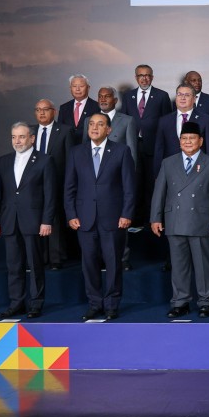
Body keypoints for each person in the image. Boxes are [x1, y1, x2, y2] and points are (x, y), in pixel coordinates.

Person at [150, 121, 209, 319]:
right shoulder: (168, 162)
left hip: (202, 222)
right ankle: (180, 302)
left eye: (192, 138)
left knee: (204, 266)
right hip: (175, 220)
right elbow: (159, 192)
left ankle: (205, 302)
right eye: (184, 138)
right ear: (179, 142)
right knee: (178, 266)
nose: (188, 142)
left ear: (200, 141)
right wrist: (155, 218)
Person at [64, 113, 136, 320]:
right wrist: (71, 214)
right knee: (89, 264)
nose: (95, 128)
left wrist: (126, 213)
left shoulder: (122, 151)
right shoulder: (76, 153)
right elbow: (69, 187)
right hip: (84, 218)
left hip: (113, 218)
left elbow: (129, 187)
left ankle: (112, 304)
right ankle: (95, 303)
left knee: (114, 263)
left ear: (109, 130)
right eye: (92, 124)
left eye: (100, 124)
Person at [0, 122, 55, 319]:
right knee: (14, 265)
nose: (17, 141)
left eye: (21, 137)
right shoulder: (3, 161)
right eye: (13, 137)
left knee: (35, 265)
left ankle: (36, 304)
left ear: (32, 138)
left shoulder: (45, 160)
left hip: (34, 221)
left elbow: (50, 194)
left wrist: (46, 221)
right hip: (9, 221)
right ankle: (16, 303)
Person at [120, 65, 173, 227]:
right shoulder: (128, 96)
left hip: (154, 147)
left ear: (152, 77)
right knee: (134, 183)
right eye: (141, 75)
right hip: (132, 147)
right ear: (136, 78)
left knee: (152, 184)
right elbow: (123, 121)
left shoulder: (162, 96)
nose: (144, 78)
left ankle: (153, 220)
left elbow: (167, 123)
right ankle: (135, 219)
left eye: (147, 75)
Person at [98, 85, 140, 269]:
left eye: (107, 96)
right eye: (100, 96)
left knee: (120, 222)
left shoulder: (127, 120)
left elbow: (132, 154)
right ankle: (100, 259)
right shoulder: (90, 121)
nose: (103, 99)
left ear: (115, 100)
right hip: (95, 182)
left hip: (118, 181)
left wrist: (129, 180)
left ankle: (122, 259)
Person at [32, 98, 74, 270]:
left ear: (54, 111)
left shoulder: (64, 131)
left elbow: (71, 160)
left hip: (57, 182)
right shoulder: (29, 131)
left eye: (45, 109)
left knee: (54, 219)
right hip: (33, 185)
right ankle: (38, 257)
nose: (41, 113)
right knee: (35, 219)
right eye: (38, 110)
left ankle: (55, 259)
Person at [153, 83, 209, 176]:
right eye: (179, 94)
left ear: (194, 99)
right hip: (171, 172)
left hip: (198, 171)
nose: (182, 98)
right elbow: (159, 150)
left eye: (187, 95)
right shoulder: (164, 121)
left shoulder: (206, 120)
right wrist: (157, 174)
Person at [183, 70, 209, 152]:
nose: (197, 83)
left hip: (204, 152)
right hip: (182, 151)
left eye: (199, 80)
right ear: (186, 82)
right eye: (193, 80)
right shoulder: (178, 101)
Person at [57, 74, 100, 143]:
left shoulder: (97, 107)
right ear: (70, 88)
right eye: (74, 86)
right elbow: (60, 130)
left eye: (81, 86)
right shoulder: (64, 108)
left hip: (88, 147)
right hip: (69, 149)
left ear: (88, 88)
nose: (77, 89)